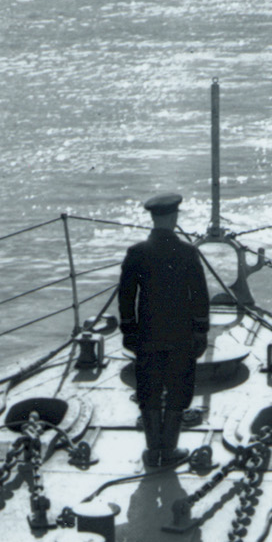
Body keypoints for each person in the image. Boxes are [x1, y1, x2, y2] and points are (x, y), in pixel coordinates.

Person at [117, 191, 212, 470]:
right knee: (178, 389)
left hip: (146, 337)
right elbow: (200, 296)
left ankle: (152, 450)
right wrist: (200, 331)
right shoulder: (187, 252)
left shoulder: (136, 253)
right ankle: (168, 450)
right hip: (180, 338)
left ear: (153, 218)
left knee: (148, 390)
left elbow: (125, 297)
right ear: (174, 217)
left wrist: (128, 331)